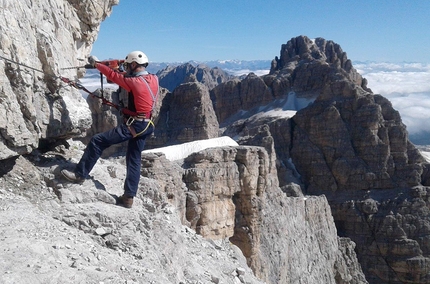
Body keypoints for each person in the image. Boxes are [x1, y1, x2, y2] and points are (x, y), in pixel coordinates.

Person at [61, 51, 159, 209]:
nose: (126, 68)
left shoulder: (134, 81)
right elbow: (126, 77)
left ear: (134, 65)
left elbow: (116, 77)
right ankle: (128, 198)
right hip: (146, 125)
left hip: (135, 125)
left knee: (98, 140)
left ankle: (79, 174)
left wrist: (97, 65)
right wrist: (120, 64)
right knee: (134, 160)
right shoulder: (153, 78)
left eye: (129, 66)